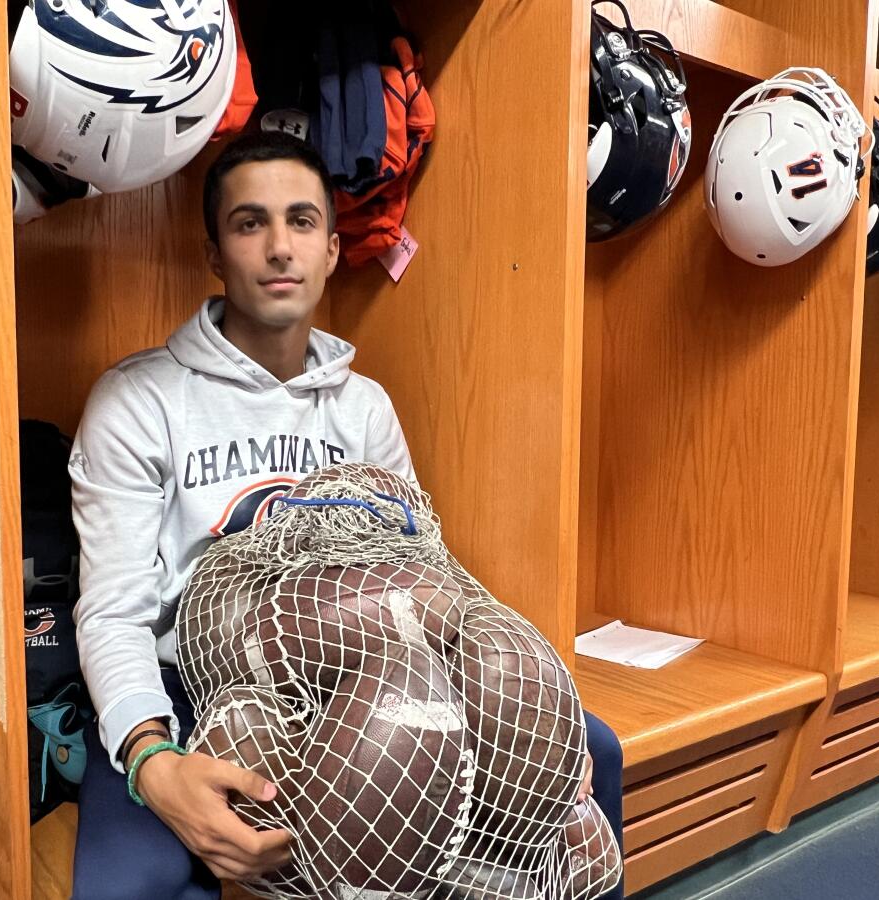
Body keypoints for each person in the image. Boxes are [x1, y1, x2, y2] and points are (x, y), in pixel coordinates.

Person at [68, 130, 623, 900]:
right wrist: (152, 761)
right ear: (214, 253)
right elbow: (112, 613)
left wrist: (539, 711)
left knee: (592, 748)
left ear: (332, 249)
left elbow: (425, 567)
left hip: (366, 661)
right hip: (195, 687)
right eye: (249, 223)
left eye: (300, 222)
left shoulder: (363, 407)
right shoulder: (137, 401)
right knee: (133, 886)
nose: (278, 247)